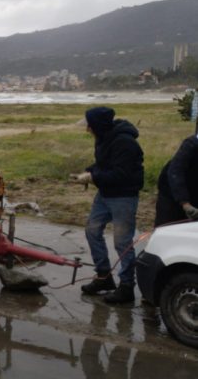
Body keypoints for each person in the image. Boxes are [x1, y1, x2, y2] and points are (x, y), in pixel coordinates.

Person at [70, 106, 144, 304]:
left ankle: (127, 287)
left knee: (122, 242)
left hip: (124, 197)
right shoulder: (104, 138)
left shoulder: (125, 143)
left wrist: (93, 177)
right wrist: (87, 173)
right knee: (92, 231)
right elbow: (103, 165)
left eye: (90, 126)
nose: (87, 130)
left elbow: (121, 174)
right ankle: (104, 277)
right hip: (105, 194)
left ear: (98, 126)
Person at [154, 119, 198, 226]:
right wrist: (185, 203)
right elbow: (175, 172)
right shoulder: (191, 145)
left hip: (193, 193)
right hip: (172, 195)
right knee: (168, 230)